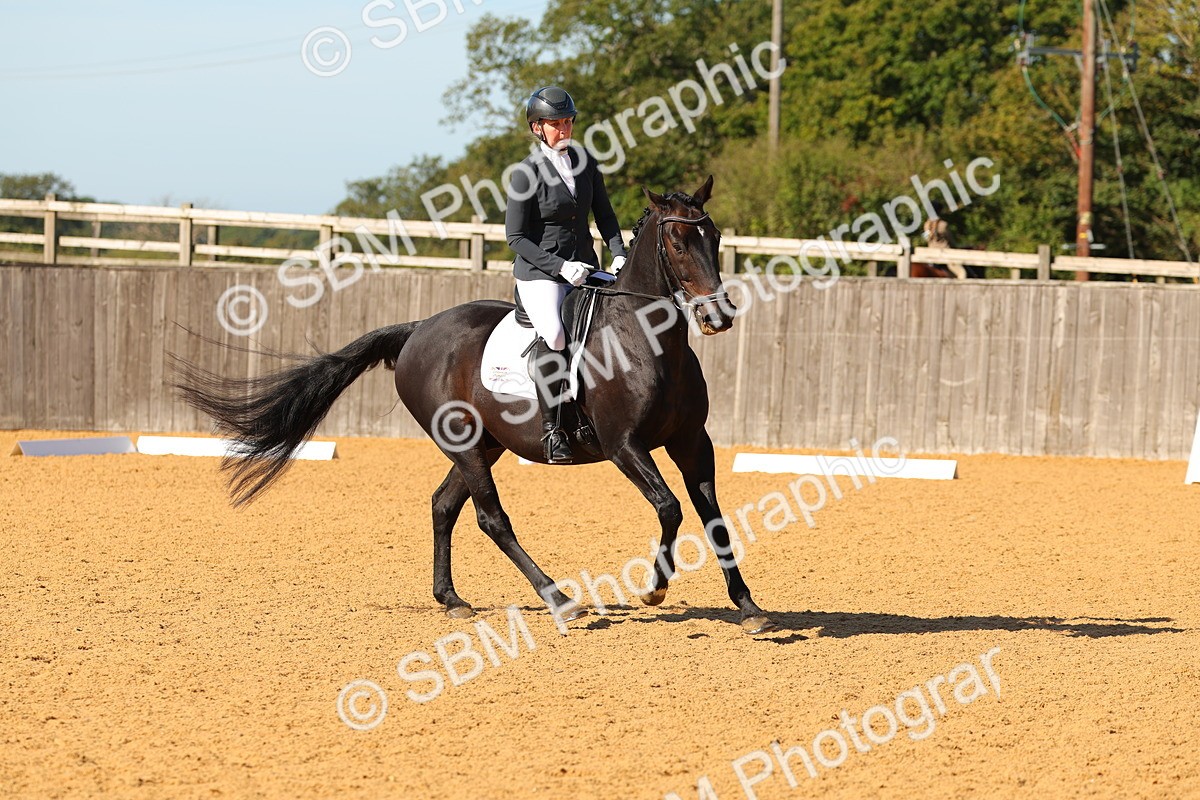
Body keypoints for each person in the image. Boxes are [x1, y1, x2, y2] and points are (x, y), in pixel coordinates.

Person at [505, 86, 627, 463]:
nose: (564, 129)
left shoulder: (586, 162)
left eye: (569, 122)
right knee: (557, 335)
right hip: (540, 274)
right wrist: (559, 267)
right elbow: (515, 238)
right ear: (537, 128)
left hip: (585, 266)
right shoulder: (525, 174)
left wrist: (619, 254)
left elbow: (605, 216)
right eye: (556, 124)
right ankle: (553, 429)